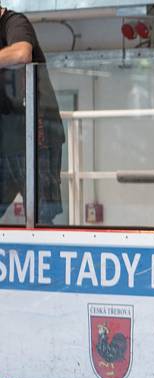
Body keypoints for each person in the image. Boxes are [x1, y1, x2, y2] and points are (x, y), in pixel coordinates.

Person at [0, 4, 64, 223]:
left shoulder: (14, 22)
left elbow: (21, 53)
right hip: (6, 141)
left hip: (36, 138)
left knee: (41, 217)